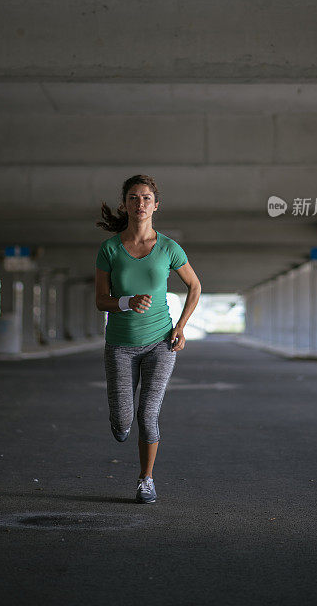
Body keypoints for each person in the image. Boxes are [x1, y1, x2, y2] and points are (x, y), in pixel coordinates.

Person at [95, 174, 201, 503]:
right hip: (120, 345)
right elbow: (101, 300)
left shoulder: (169, 248)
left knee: (148, 414)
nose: (139, 203)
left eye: (145, 198)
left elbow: (194, 287)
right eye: (133, 198)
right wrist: (127, 301)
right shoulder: (110, 249)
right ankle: (120, 423)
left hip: (160, 342)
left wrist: (181, 326)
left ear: (156, 205)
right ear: (124, 205)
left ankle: (146, 479)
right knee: (123, 421)